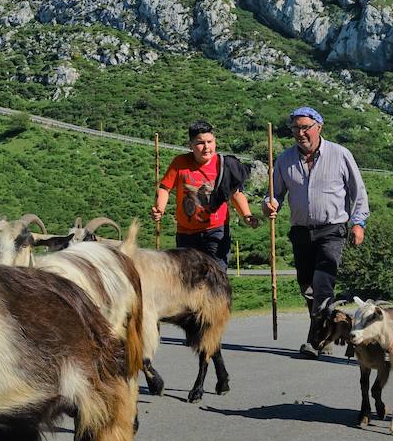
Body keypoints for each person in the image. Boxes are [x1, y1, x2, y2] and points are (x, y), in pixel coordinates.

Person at [262, 106, 370, 357]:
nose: (300, 133)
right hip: (300, 232)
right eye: (295, 129)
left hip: (332, 229)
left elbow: (358, 192)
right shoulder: (285, 160)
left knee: (323, 283)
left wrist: (358, 223)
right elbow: (274, 194)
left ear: (319, 127)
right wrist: (269, 205)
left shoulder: (340, 154)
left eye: (305, 127)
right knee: (306, 285)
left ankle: (314, 339)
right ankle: (331, 324)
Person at [151, 120, 259, 268]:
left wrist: (247, 215)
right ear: (191, 145)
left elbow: (235, 194)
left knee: (216, 277)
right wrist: (160, 208)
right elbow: (165, 187)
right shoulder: (180, 163)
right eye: (200, 143)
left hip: (216, 230)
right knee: (188, 279)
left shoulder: (224, 165)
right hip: (186, 233)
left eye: (210, 141)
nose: (206, 147)